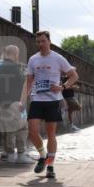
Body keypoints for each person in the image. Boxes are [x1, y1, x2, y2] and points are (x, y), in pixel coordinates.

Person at [21, 31, 78, 179]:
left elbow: (74, 76)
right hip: (37, 100)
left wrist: (63, 87)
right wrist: (21, 101)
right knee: (32, 132)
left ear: (49, 42)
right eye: (38, 42)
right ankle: (42, 156)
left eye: (43, 41)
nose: (40, 44)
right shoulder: (33, 59)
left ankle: (50, 166)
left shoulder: (57, 58)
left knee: (51, 134)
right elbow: (28, 82)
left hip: (53, 101)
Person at [0, 44, 32, 163]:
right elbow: (22, 82)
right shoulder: (13, 67)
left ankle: (9, 153)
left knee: (8, 128)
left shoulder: (0, 66)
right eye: (17, 54)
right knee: (21, 127)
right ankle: (21, 154)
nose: (17, 56)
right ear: (14, 54)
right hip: (14, 102)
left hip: (3, 102)